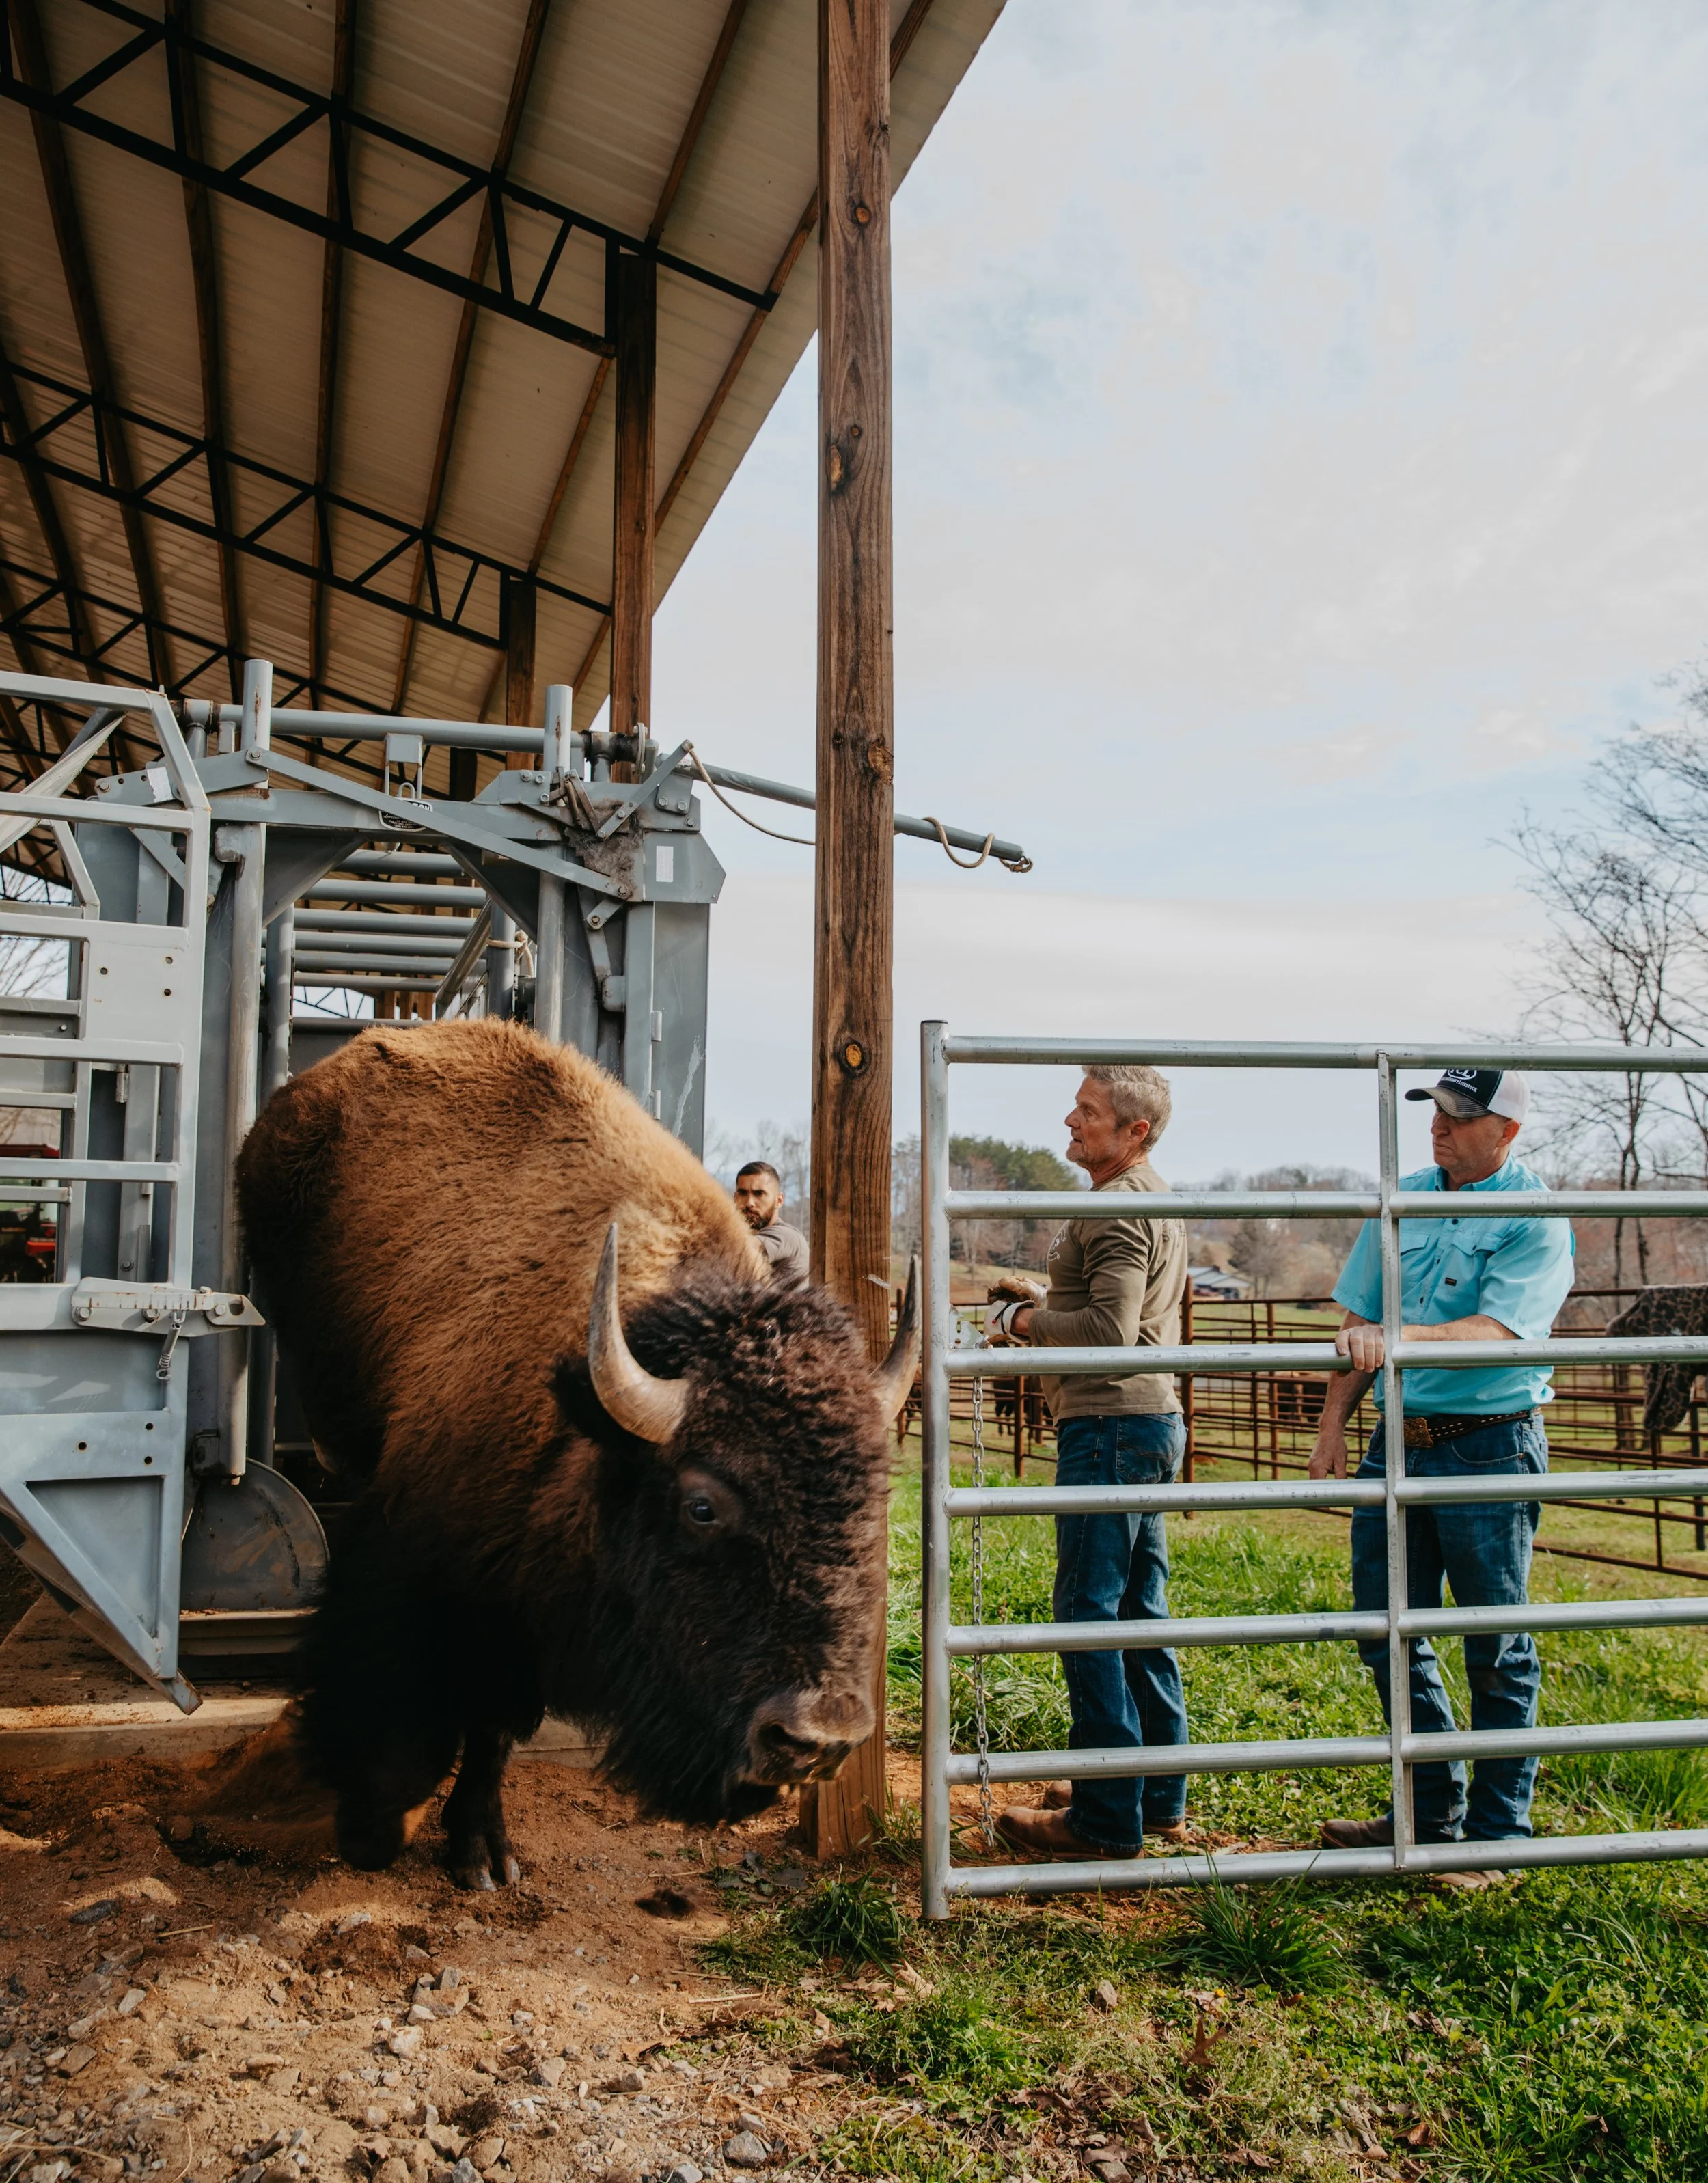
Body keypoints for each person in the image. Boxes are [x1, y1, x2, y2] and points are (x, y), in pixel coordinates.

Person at [1308, 1067, 1575, 1877]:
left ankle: (1497, 1833)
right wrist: (1331, 1427)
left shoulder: (1532, 1215)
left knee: (1494, 1639)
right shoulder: (1401, 1202)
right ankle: (1425, 1811)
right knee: (1385, 1627)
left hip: (1486, 1441)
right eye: (1437, 1113)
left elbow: (1502, 1329)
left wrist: (1400, 1342)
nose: (1440, 1128)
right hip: (1397, 1438)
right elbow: (1359, 1319)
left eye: (1461, 1118)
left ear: (1506, 1132)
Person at [984, 1065, 1191, 1861]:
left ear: (1133, 1131)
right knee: (1140, 1610)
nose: (1070, 1122)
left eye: (1089, 1113)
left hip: (1108, 1423)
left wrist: (1023, 1318)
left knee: (1089, 1613)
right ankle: (1152, 1789)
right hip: (1143, 1417)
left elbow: (1109, 1328)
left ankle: (1105, 1816)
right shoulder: (1152, 1197)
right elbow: (1124, 1312)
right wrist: (1043, 1298)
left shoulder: (1114, 1208)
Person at [733, 1159, 809, 1285]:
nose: (749, 1203)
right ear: (735, 1198)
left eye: (759, 1194)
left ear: (779, 1201)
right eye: (742, 1193)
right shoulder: (749, 1235)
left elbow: (737, 1250)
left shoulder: (787, 1235)